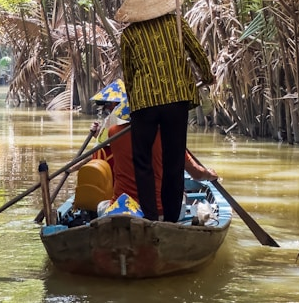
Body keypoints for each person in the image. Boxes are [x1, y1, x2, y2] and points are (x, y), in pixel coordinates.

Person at [116, 0, 215, 222]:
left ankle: (150, 217)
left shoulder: (129, 35)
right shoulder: (176, 24)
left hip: (144, 104)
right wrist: (208, 76)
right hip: (176, 101)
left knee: (142, 161)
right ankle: (170, 219)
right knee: (174, 160)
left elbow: (128, 74)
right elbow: (198, 54)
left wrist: (135, 99)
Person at [90, 79, 217, 218]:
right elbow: (196, 174)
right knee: (181, 197)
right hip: (158, 211)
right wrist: (209, 175)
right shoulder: (169, 136)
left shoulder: (113, 132)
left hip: (122, 208)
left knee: (101, 205)